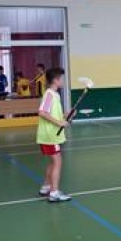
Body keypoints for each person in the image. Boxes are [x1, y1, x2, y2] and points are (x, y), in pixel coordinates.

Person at [36, 67, 72, 202]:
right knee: (57, 161)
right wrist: (59, 122)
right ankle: (54, 193)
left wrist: (65, 116)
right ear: (56, 80)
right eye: (61, 78)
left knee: (53, 161)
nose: (63, 80)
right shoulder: (49, 95)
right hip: (50, 135)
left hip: (52, 135)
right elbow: (42, 112)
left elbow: (53, 114)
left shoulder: (55, 95)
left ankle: (46, 187)